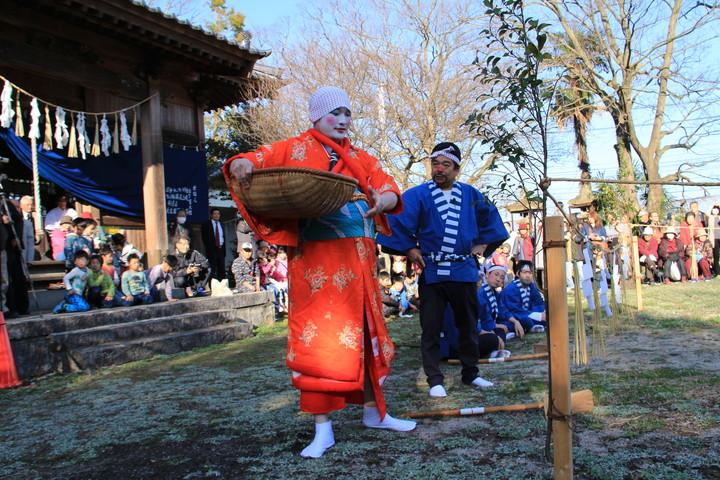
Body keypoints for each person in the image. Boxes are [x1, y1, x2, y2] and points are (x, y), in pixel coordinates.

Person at [225, 86, 415, 459]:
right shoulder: (293, 149)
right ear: (316, 116)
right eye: (335, 113)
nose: (344, 120)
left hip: (359, 262)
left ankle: (376, 413)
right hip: (315, 263)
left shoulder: (364, 158)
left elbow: (389, 189)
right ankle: (322, 429)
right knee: (319, 344)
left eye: (348, 113)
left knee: (367, 338)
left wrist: (385, 200)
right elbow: (250, 159)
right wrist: (240, 164)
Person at [377, 141, 508, 399]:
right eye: (435, 164)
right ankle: (434, 377)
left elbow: (492, 219)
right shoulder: (418, 195)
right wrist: (409, 248)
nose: (439, 169)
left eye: (446, 165)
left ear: (456, 169)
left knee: (468, 325)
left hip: (463, 270)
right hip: (433, 270)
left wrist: (483, 243)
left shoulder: (471, 194)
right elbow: (395, 221)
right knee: (431, 326)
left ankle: (471, 373)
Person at [499, 260, 546, 333]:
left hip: (527, 313)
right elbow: (514, 310)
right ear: (518, 273)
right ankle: (528, 327)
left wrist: (542, 313)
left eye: (530, 273)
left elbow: (538, 303)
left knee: (548, 315)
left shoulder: (531, 286)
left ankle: (531, 326)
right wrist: (538, 316)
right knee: (525, 320)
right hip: (512, 316)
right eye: (525, 272)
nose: (528, 275)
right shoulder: (511, 289)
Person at [202, 207, 226, 281]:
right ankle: (212, 286)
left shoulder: (221, 224)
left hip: (221, 249)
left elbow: (223, 237)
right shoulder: (207, 224)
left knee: (221, 268)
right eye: (215, 214)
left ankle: (222, 285)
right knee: (212, 268)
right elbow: (204, 238)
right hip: (212, 249)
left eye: (218, 214)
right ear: (211, 215)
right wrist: (209, 248)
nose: (216, 215)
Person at [19, 196, 39, 263]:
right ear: (21, 205)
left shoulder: (34, 215)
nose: (30, 207)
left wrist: (36, 219)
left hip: (31, 237)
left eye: (31, 204)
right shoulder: (18, 215)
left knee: (30, 245)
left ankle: (30, 262)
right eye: (28, 205)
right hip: (22, 235)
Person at [707, 205, 719, 276]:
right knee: (716, 256)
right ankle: (717, 272)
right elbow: (707, 213)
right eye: (714, 209)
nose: (715, 210)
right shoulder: (710, 217)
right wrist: (712, 205)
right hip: (714, 239)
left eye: (716, 209)